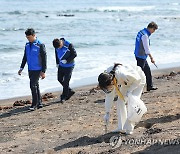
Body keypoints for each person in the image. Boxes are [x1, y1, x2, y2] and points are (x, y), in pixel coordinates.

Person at [98, 63, 146, 135]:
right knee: (120, 102)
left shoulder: (122, 74)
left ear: (111, 82)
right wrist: (107, 112)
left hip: (138, 80)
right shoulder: (108, 78)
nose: (109, 89)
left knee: (132, 103)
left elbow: (137, 80)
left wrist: (130, 90)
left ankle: (129, 128)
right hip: (126, 82)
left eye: (109, 87)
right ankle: (121, 127)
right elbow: (109, 96)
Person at [18, 28, 47, 111]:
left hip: (38, 69)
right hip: (30, 69)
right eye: (27, 37)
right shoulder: (27, 45)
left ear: (34, 35)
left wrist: (43, 71)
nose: (28, 39)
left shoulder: (40, 45)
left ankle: (34, 104)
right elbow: (25, 57)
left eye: (29, 37)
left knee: (32, 85)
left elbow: (44, 59)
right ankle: (39, 102)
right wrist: (21, 68)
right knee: (36, 85)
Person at [134, 21, 158, 91]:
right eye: (154, 30)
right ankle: (134, 89)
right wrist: (151, 58)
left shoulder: (142, 32)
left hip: (139, 54)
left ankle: (149, 86)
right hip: (141, 56)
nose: (153, 32)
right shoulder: (145, 35)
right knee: (139, 74)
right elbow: (146, 49)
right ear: (151, 28)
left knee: (147, 71)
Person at [52, 38, 77, 103]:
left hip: (69, 66)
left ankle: (64, 96)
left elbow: (74, 54)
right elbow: (56, 55)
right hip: (61, 65)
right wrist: (57, 63)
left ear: (61, 43)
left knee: (66, 81)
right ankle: (70, 91)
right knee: (59, 79)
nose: (59, 48)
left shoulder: (69, 45)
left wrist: (67, 60)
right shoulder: (57, 46)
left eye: (60, 47)